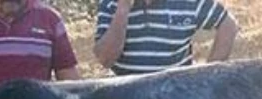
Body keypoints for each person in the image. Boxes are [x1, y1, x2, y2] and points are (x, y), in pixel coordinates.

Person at [94, 0, 239, 76]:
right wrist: (123, 9)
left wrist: (208, 75)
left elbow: (228, 25)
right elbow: (105, 59)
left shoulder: (189, 2)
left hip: (174, 97)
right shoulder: (110, 3)